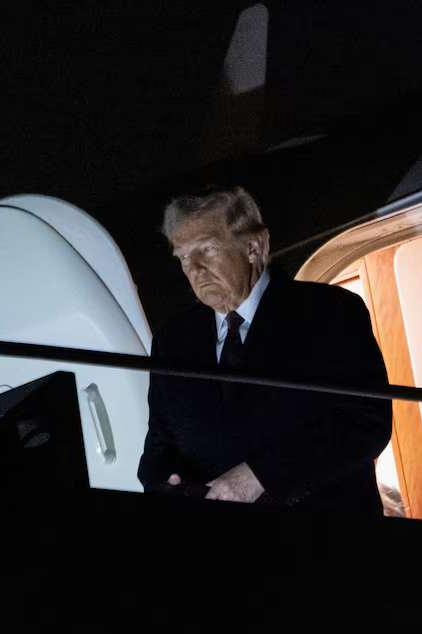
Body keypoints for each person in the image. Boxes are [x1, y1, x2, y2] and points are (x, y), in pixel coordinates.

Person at [137, 185, 393, 516]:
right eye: (184, 256)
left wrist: (260, 476)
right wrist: (164, 484)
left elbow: (366, 420)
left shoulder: (330, 312)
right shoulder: (172, 340)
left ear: (254, 247)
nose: (194, 270)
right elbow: (159, 443)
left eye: (208, 249)